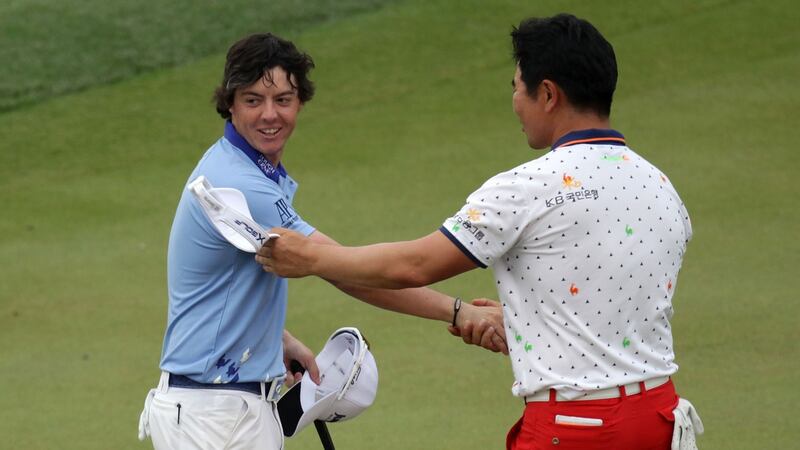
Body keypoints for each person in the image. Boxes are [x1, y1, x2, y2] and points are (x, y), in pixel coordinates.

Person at [258, 14, 696, 450]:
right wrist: (530, 324)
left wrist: (310, 258)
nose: (514, 102)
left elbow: (414, 265)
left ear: (547, 94)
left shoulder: (529, 187)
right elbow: (612, 294)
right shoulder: (660, 186)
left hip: (577, 427)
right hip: (660, 417)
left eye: (515, 87)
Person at [137, 33, 505, 450]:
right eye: (253, 100)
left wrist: (275, 338)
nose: (269, 115)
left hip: (219, 408)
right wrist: (457, 313)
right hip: (216, 417)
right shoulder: (241, 184)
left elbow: (218, 285)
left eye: (284, 99)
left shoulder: (237, 166)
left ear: (301, 102)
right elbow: (348, 271)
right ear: (231, 104)